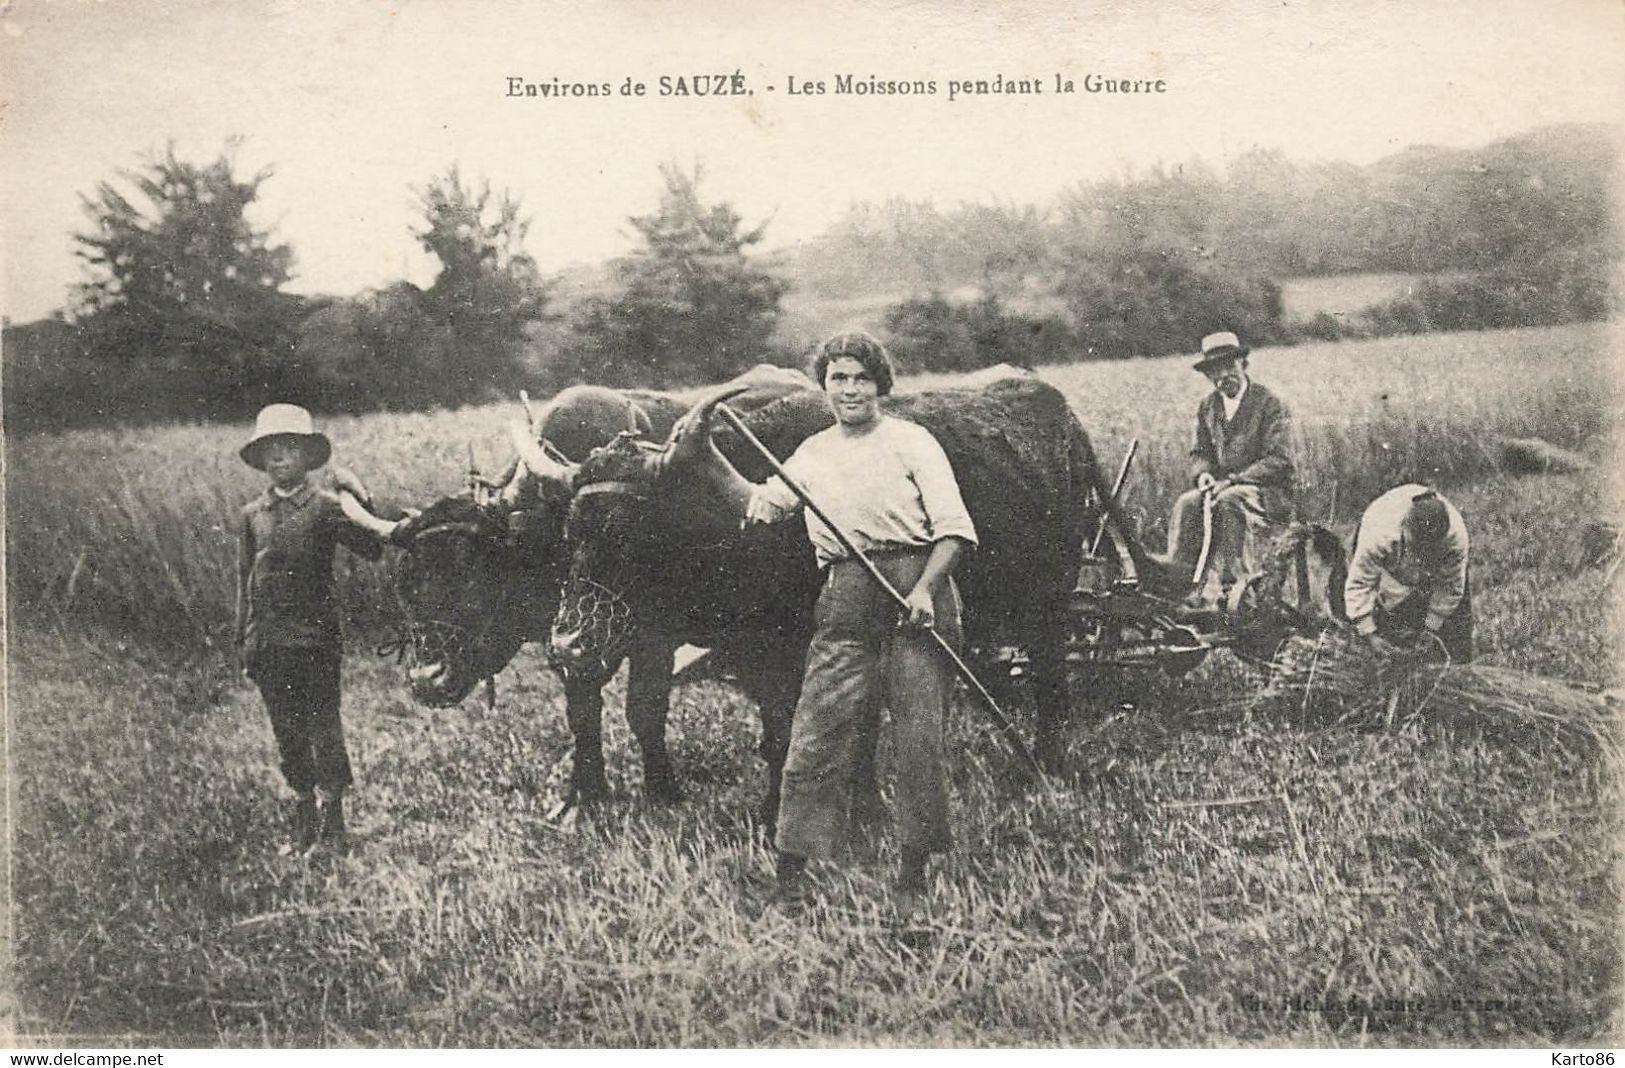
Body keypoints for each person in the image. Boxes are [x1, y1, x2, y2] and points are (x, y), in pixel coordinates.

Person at [674, 331, 977, 910]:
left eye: (861, 377)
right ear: (824, 386)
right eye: (838, 378)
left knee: (918, 734)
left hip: (918, 592)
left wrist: (925, 591)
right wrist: (704, 459)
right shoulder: (813, 453)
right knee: (815, 732)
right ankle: (792, 873)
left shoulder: (912, 442)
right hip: (846, 593)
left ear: (880, 384)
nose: (850, 389)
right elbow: (761, 504)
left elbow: (955, 530)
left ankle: (913, 873)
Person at [235, 404, 397, 855]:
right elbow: (245, 581)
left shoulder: (326, 508)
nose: (279, 459)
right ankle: (304, 824)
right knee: (287, 731)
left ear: (308, 457)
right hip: (270, 643)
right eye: (271, 451)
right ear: (260, 458)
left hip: (315, 640)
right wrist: (246, 641)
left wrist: (359, 497)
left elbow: (371, 546)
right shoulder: (252, 515)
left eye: (290, 449)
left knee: (322, 726)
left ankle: (334, 829)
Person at [1161, 331, 1295, 599]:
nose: (1223, 376)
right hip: (1220, 487)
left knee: (1230, 501)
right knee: (1187, 503)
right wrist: (1203, 475)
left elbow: (1279, 459)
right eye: (1214, 371)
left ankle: (1235, 589)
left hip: (1265, 493)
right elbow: (1199, 452)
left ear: (1243, 364)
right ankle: (1180, 586)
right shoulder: (1208, 407)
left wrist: (1234, 480)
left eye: (1229, 366)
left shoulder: (1269, 404)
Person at [1344, 484, 1472, 664]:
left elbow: (1451, 587)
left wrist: (1431, 628)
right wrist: (1369, 634)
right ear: (1405, 527)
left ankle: (1458, 670)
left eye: (1427, 551)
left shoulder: (1456, 540)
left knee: (1455, 634)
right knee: (1372, 632)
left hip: (1437, 559)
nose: (1419, 557)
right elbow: (1359, 584)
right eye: (1416, 549)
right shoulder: (1378, 533)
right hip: (1382, 528)